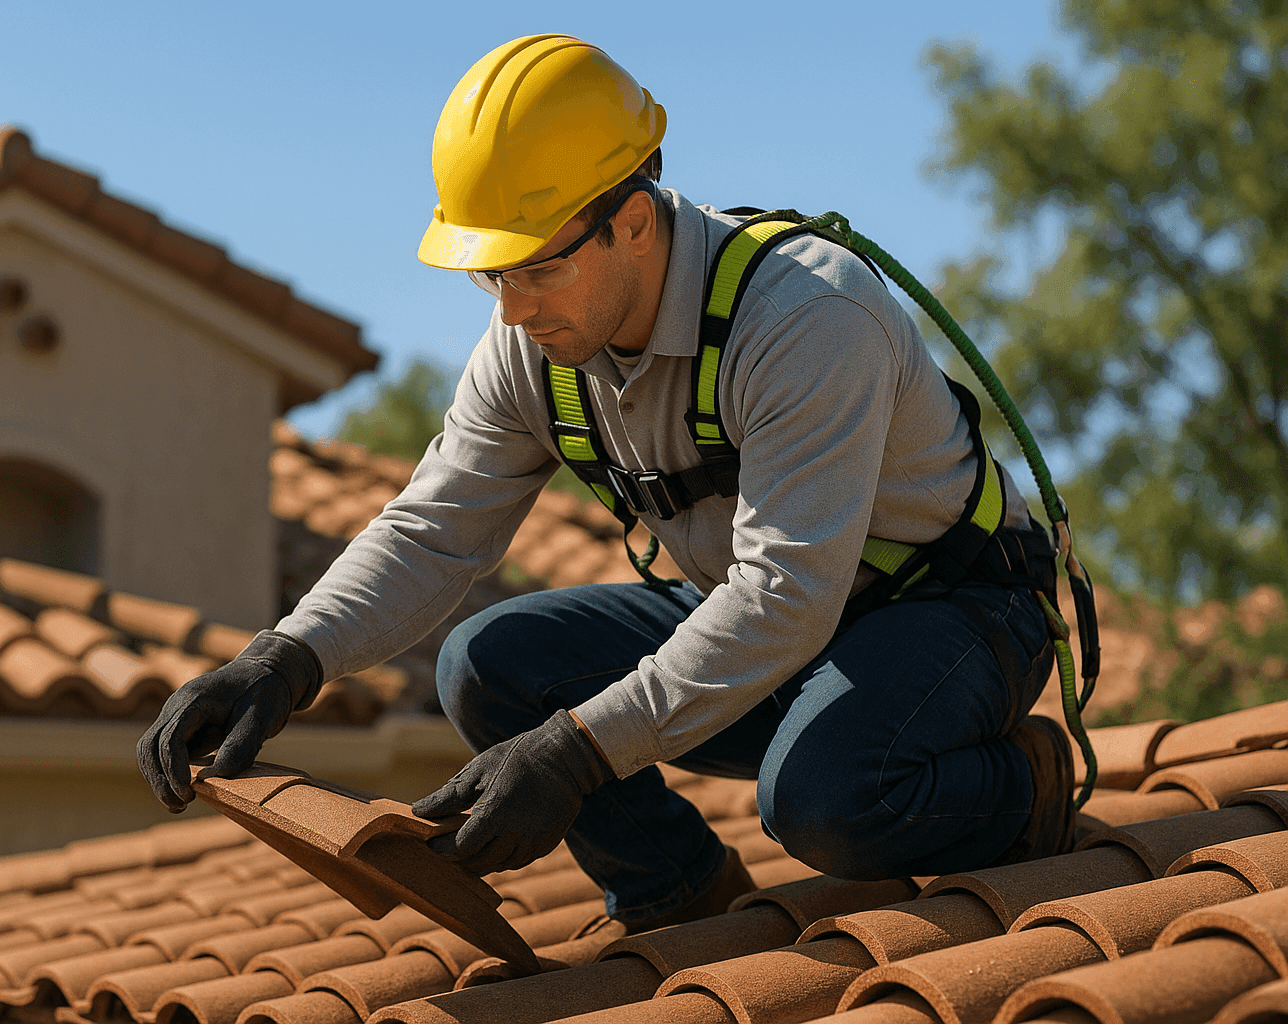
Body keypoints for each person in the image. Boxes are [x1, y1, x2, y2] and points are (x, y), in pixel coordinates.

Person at [138, 33, 1075, 933]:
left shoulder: (805, 318)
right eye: (492, 274)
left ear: (633, 220)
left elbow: (786, 592)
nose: (511, 308)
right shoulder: (530, 347)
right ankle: (678, 893)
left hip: (957, 616)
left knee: (829, 804)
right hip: (783, 630)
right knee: (488, 665)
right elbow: (432, 530)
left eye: (538, 266)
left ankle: (1020, 788)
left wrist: (575, 752)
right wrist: (286, 658)